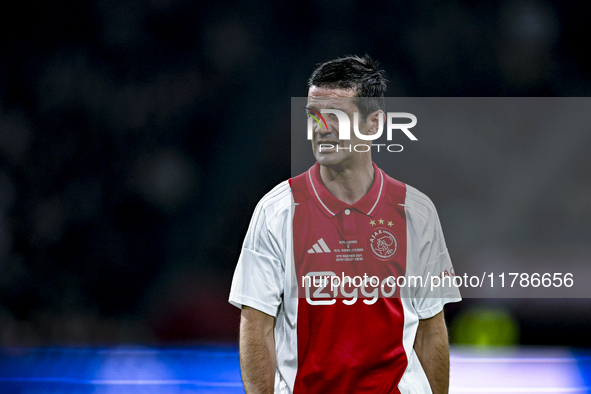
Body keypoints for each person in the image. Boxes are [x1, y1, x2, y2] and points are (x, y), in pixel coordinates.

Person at [229, 55, 461, 394]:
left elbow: (430, 330)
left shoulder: (416, 212)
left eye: (335, 116)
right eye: (313, 116)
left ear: (373, 124)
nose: (321, 127)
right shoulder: (276, 211)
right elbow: (256, 327)